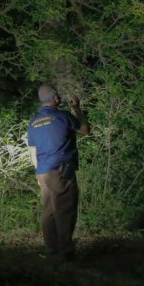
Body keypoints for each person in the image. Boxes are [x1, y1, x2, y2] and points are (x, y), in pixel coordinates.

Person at [27, 84, 90, 260]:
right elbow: (85, 130)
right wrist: (76, 108)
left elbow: (32, 150)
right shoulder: (63, 116)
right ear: (55, 99)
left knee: (49, 211)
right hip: (61, 169)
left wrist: (38, 173)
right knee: (65, 208)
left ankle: (51, 249)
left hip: (43, 171)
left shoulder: (33, 122)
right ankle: (66, 251)